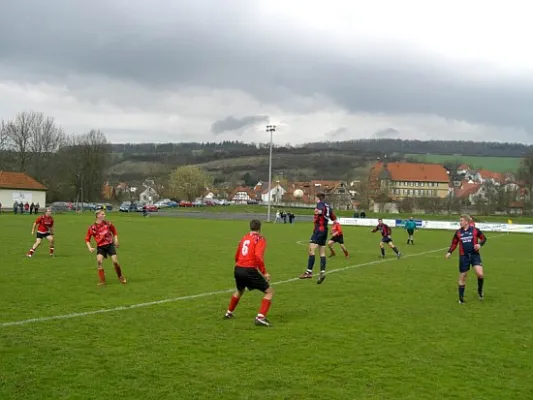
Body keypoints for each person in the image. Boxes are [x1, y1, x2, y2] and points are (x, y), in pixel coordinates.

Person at [224, 219, 274, 327]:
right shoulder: (260, 239)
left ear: (250, 227)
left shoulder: (244, 237)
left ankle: (229, 313)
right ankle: (260, 317)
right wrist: (264, 272)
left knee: (239, 290)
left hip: (238, 268)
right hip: (249, 269)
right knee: (269, 292)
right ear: (260, 228)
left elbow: (237, 255)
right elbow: (258, 256)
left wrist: (240, 263)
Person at [445, 214, 487, 304]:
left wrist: (479, 244)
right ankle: (461, 299)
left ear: (467, 222)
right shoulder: (458, 232)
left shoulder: (475, 230)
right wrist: (449, 252)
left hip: (475, 255)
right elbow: (454, 243)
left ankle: (480, 292)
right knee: (463, 276)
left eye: (461, 221)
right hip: (463, 256)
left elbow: (484, 238)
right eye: (459, 221)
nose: (460, 222)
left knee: (480, 274)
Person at [299, 192, 336, 284]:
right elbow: (334, 218)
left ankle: (309, 272)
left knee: (311, 249)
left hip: (319, 230)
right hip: (325, 230)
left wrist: (318, 211)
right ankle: (322, 272)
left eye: (315, 198)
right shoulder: (328, 206)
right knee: (322, 252)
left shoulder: (320, 205)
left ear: (318, 198)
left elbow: (319, 211)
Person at [85, 210, 127, 286]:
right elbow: (87, 239)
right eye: (103, 214)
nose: (104, 215)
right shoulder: (92, 227)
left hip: (110, 245)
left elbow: (114, 231)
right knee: (99, 261)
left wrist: (116, 239)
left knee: (115, 261)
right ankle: (102, 281)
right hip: (101, 247)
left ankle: (120, 276)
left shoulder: (108, 223)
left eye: (104, 214)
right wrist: (89, 247)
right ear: (98, 215)